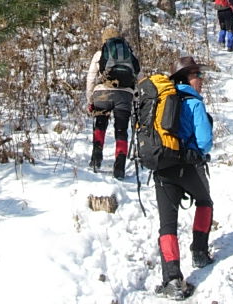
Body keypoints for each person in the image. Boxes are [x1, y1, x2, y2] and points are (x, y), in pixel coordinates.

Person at [153, 56, 214, 300]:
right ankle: (199, 251)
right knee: (205, 202)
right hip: (188, 167)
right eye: (198, 75)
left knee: (167, 226)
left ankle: (172, 281)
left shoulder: (160, 99)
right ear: (187, 77)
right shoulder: (193, 102)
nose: (201, 80)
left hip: (161, 168)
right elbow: (205, 142)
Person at [85, 25, 140, 179]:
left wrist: (90, 99)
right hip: (125, 95)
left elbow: (90, 78)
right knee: (121, 130)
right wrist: (135, 97)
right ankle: (120, 165)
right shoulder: (129, 53)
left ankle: (96, 158)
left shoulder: (100, 53)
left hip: (102, 93)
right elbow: (138, 77)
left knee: (100, 124)